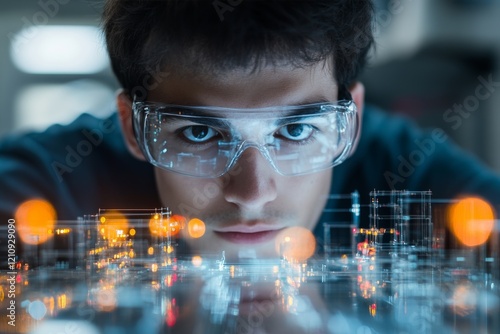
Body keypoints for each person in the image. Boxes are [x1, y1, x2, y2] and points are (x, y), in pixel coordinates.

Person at [1, 0, 500, 263]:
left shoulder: (405, 170)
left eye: (298, 129)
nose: (253, 194)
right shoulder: (49, 181)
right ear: (133, 127)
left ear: (354, 117)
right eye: (199, 134)